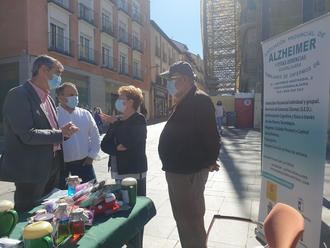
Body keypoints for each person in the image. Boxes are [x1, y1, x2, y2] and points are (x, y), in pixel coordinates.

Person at [0, 55, 79, 212]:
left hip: (52, 167)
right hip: (31, 171)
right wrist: (59, 134)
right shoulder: (19, 95)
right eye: (57, 72)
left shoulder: (47, 98)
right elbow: (27, 134)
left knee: (49, 213)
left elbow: (48, 130)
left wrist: (64, 134)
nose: (60, 78)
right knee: (28, 217)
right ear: (43, 70)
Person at [158, 61, 221, 248]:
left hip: (188, 174)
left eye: (171, 79)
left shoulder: (199, 100)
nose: (168, 84)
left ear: (184, 79)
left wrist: (210, 160)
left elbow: (211, 135)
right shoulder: (184, 100)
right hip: (178, 172)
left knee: (191, 222)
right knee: (183, 221)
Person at [100, 85, 147, 196]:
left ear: (130, 102)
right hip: (117, 172)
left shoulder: (138, 119)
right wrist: (116, 148)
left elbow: (127, 142)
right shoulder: (118, 120)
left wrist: (115, 124)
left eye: (121, 98)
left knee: (135, 204)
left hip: (133, 172)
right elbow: (104, 145)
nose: (118, 101)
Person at [56, 82, 101, 186]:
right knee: (66, 198)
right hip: (63, 168)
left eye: (76, 94)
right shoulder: (54, 115)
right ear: (60, 97)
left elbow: (95, 136)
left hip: (85, 165)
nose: (75, 97)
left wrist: (91, 156)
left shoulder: (85, 114)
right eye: (71, 95)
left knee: (91, 196)